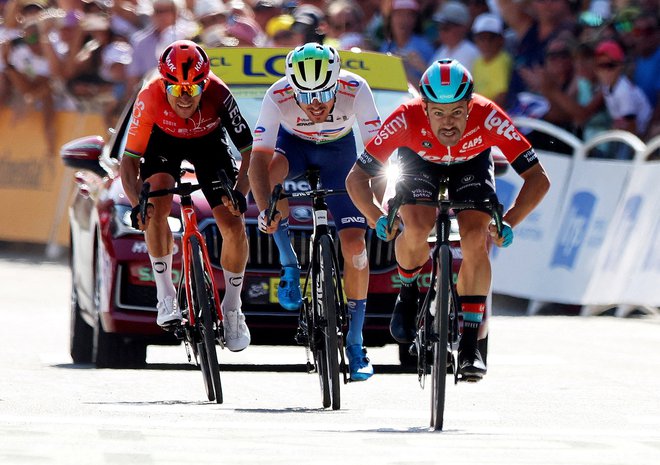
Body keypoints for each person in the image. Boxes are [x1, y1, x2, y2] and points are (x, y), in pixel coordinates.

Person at [345, 59, 550, 381]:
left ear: (471, 105)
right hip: (419, 164)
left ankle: (470, 343)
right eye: (438, 113)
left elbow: (538, 178)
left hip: (471, 165)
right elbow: (356, 177)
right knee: (415, 226)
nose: (448, 123)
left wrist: (509, 220)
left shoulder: (489, 115)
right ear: (423, 107)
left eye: (457, 112)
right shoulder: (404, 118)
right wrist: (375, 216)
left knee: (474, 239)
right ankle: (408, 291)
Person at [247, 43, 382, 381]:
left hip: (340, 154)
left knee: (355, 247)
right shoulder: (278, 94)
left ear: (337, 82)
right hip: (295, 149)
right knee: (272, 177)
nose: (315, 105)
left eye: (323, 94)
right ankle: (289, 265)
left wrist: (376, 209)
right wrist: (265, 210)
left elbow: (379, 153)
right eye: (305, 98)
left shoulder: (356, 88)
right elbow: (257, 163)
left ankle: (355, 341)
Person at [119, 40, 252, 352]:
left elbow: (249, 152)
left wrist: (240, 193)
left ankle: (233, 309)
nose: (184, 97)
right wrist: (137, 203)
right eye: (176, 90)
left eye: (192, 90)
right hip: (162, 144)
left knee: (233, 224)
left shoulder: (219, 92)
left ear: (204, 85)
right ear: (164, 85)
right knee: (154, 206)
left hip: (209, 144)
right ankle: (165, 296)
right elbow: (129, 161)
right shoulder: (149, 96)